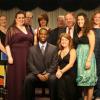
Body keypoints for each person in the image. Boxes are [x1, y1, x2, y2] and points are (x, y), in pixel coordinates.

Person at [6, 11, 33, 100]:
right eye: (19, 18)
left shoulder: (28, 29)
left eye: (23, 18)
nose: (21, 19)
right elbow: (7, 44)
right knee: (17, 78)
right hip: (16, 57)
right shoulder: (11, 29)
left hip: (27, 56)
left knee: (26, 78)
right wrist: (9, 56)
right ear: (15, 19)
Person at [24, 28, 58, 100]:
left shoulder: (54, 48)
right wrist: (38, 74)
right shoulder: (31, 49)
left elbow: (54, 63)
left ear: (48, 35)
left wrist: (48, 73)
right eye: (41, 34)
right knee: (28, 78)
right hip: (36, 74)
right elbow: (30, 63)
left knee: (53, 79)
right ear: (38, 35)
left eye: (45, 34)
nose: (43, 36)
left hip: (49, 74)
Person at [75, 12, 97, 100]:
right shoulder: (79, 31)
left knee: (89, 81)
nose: (80, 21)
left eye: (82, 19)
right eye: (78, 19)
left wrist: (88, 60)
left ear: (85, 20)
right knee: (83, 81)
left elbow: (92, 46)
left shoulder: (90, 31)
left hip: (87, 56)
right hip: (80, 57)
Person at [56, 33, 77, 100]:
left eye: (66, 40)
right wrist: (58, 71)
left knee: (65, 79)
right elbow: (58, 64)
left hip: (70, 73)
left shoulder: (72, 50)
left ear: (69, 41)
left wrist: (61, 72)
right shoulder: (59, 51)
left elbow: (71, 64)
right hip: (61, 73)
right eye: (62, 40)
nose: (64, 41)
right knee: (57, 79)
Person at [91, 11, 100, 100]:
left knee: (99, 75)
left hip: (99, 55)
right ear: (93, 18)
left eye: (99, 17)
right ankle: (90, 94)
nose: (97, 19)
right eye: (96, 17)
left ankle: (97, 95)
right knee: (91, 74)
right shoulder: (90, 29)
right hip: (91, 55)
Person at [0, 15, 8, 99]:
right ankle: (1, 95)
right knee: (1, 75)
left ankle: (6, 94)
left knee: (7, 74)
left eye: (5, 19)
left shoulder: (8, 30)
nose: (3, 21)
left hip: (7, 55)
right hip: (1, 55)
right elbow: (0, 45)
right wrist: (8, 53)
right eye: (1, 20)